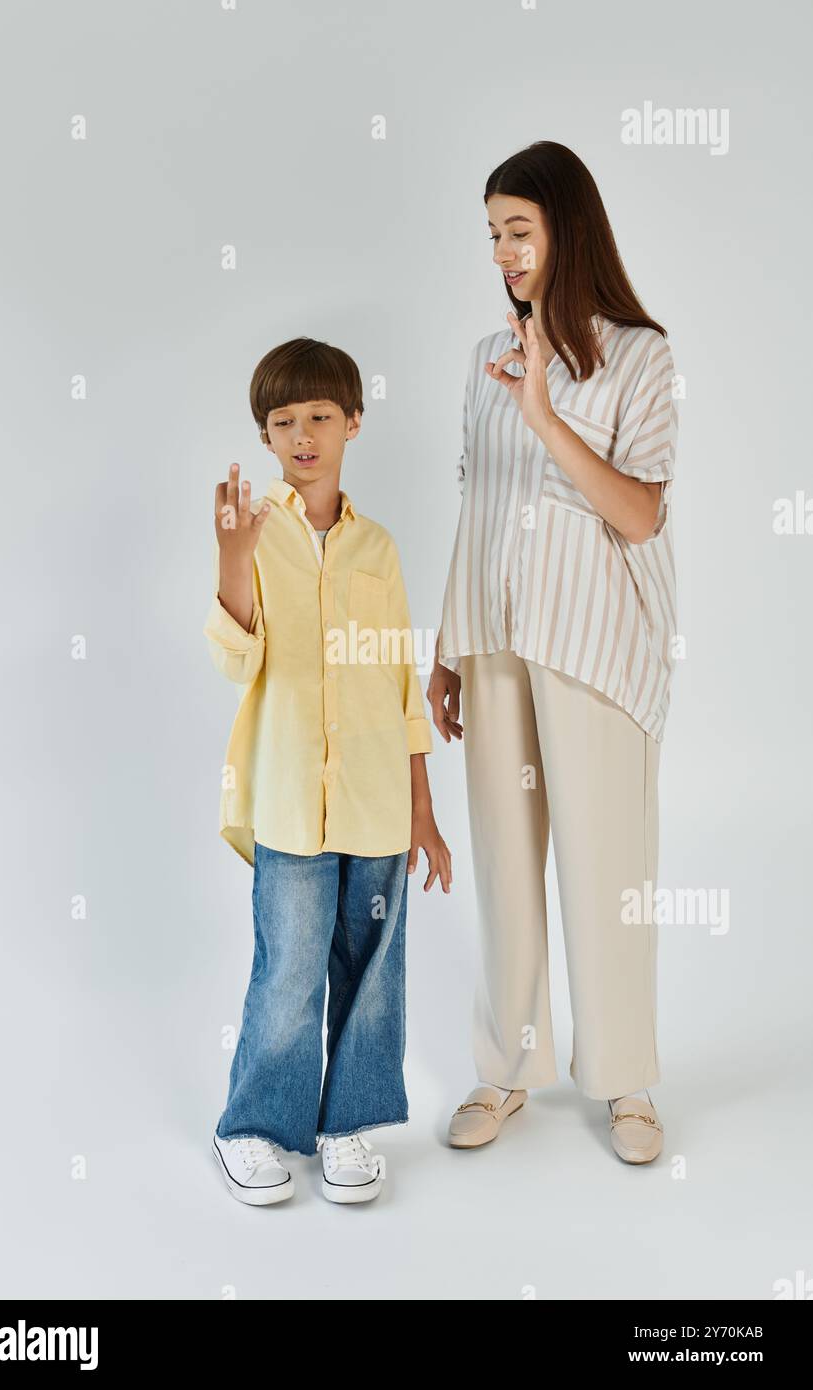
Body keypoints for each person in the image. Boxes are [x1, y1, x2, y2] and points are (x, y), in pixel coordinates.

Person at [428, 141, 679, 1164]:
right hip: (491, 642)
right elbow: (475, 503)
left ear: (564, 228)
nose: (501, 251)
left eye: (517, 230)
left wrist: (543, 411)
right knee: (501, 858)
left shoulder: (639, 355)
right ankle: (504, 1070)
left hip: (592, 646)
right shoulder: (482, 360)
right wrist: (446, 646)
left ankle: (625, 1082)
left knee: (604, 864)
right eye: (491, 233)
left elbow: (639, 513)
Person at [205, 337, 452, 1205]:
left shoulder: (377, 549)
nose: (302, 433)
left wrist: (423, 807)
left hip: (377, 801)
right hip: (285, 801)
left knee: (373, 968)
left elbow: (400, 684)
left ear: (353, 421)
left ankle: (346, 1124)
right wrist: (235, 557)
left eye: (319, 416)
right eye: (283, 421)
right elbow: (238, 658)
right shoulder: (256, 535)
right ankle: (253, 1127)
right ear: (266, 436)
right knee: (288, 967)